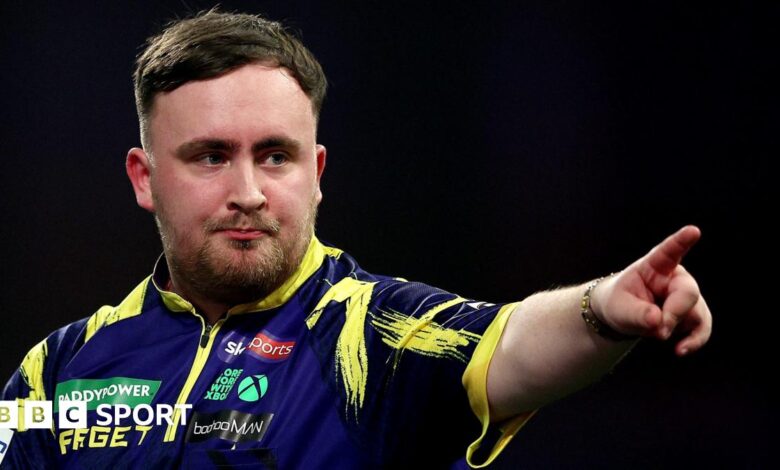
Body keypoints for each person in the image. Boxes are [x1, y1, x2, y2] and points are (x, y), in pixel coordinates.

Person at [0, 9, 711, 469]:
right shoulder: (55, 371)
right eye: (211, 157)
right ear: (145, 177)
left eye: (274, 156)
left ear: (316, 174)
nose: (248, 191)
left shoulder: (374, 336)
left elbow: (512, 342)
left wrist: (602, 308)